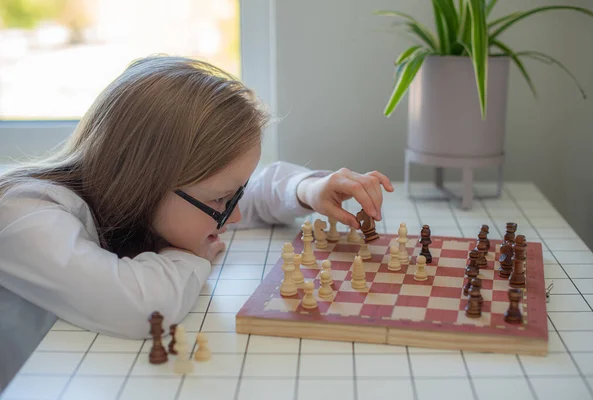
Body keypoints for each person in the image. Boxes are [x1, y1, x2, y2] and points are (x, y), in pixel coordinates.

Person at [0, 55, 394, 339]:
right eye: (223, 202)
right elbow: (140, 308)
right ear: (146, 182)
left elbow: (242, 192)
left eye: (231, 197)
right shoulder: (26, 215)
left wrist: (307, 190)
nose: (234, 216)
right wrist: (191, 255)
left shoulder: (139, 200)